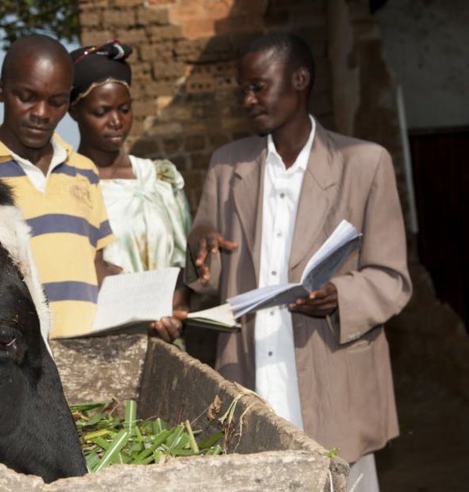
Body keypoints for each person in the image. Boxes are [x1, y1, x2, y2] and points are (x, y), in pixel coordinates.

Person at [187, 32, 411, 491]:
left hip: (333, 377)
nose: (247, 99)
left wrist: (340, 296)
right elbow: (208, 279)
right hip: (250, 372)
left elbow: (391, 278)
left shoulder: (365, 164)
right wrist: (200, 252)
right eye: (242, 89)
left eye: (258, 86)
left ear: (300, 80)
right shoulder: (228, 167)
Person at [0, 34, 115, 339]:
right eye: (27, 97)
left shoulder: (85, 172)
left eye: (56, 102)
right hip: (9, 366)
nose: (42, 113)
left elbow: (96, 265)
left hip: (89, 355)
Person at [68, 40, 193, 343]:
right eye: (102, 111)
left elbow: (184, 264)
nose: (116, 121)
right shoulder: (68, 185)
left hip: (165, 340)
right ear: (74, 112)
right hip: (99, 344)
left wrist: (176, 313)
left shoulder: (160, 180)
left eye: (125, 109)